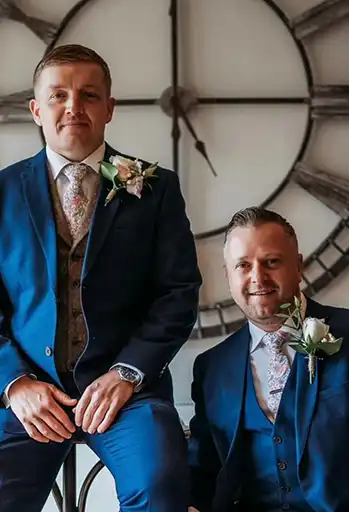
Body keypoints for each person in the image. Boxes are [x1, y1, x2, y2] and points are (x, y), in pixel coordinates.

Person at [0, 44, 201, 511]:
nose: (74, 107)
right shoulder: (3, 192)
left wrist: (127, 372)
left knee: (159, 487)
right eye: (58, 96)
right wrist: (15, 384)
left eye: (89, 95)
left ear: (109, 108)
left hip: (128, 393)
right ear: (36, 109)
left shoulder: (155, 188)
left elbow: (178, 292)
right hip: (28, 394)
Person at [188, 206, 349, 512]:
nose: (257, 277)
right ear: (228, 276)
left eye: (271, 262)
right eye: (243, 265)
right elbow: (204, 466)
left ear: (298, 266)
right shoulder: (212, 368)